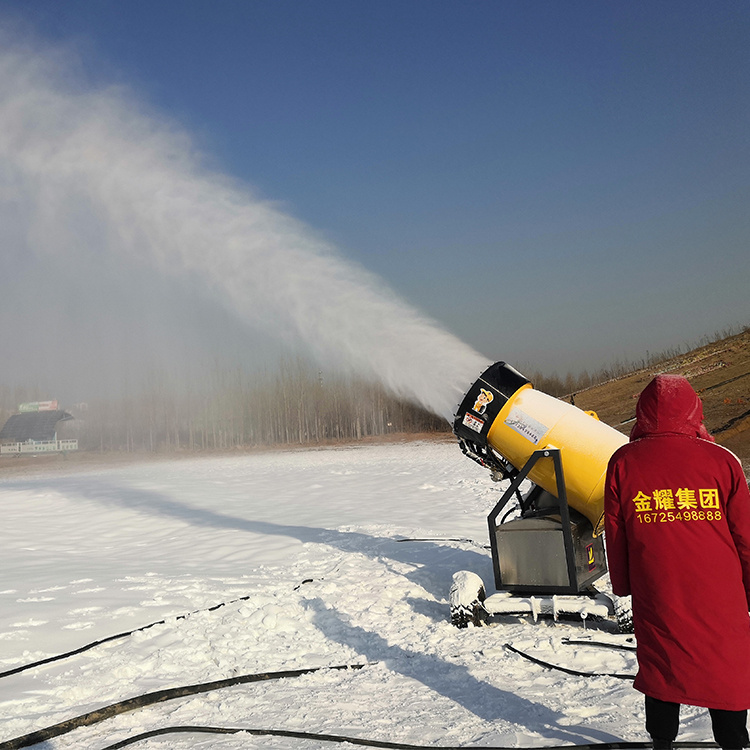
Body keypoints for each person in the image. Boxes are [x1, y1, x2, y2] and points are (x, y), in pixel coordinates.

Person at [604, 373, 750, 750]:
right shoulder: (722, 462)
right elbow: (745, 536)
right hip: (721, 593)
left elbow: (616, 533)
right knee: (725, 669)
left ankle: (662, 744)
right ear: (694, 410)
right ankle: (734, 743)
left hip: (658, 590)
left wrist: (624, 586)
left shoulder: (623, 462)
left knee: (662, 663)